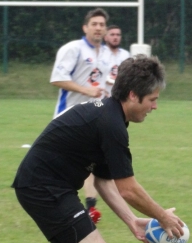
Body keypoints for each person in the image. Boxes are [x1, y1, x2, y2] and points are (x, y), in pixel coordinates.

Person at [0, 55, 185, 243]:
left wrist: (131, 222)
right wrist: (162, 217)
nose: (155, 106)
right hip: (43, 186)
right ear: (134, 95)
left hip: (46, 185)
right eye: (152, 99)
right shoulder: (111, 124)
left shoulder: (112, 116)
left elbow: (103, 180)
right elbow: (129, 188)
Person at [50, 8, 112, 224]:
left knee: (91, 163)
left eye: (102, 24)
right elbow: (57, 79)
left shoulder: (106, 54)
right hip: (68, 120)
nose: (98, 28)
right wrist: (88, 91)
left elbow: (104, 82)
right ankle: (64, 207)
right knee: (65, 169)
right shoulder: (73, 49)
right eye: (94, 24)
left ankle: (90, 209)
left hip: (93, 120)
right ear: (85, 27)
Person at [104, 25, 131, 96]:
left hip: (121, 96)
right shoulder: (100, 54)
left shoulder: (126, 55)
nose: (115, 37)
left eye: (118, 35)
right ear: (105, 37)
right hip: (104, 96)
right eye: (112, 35)